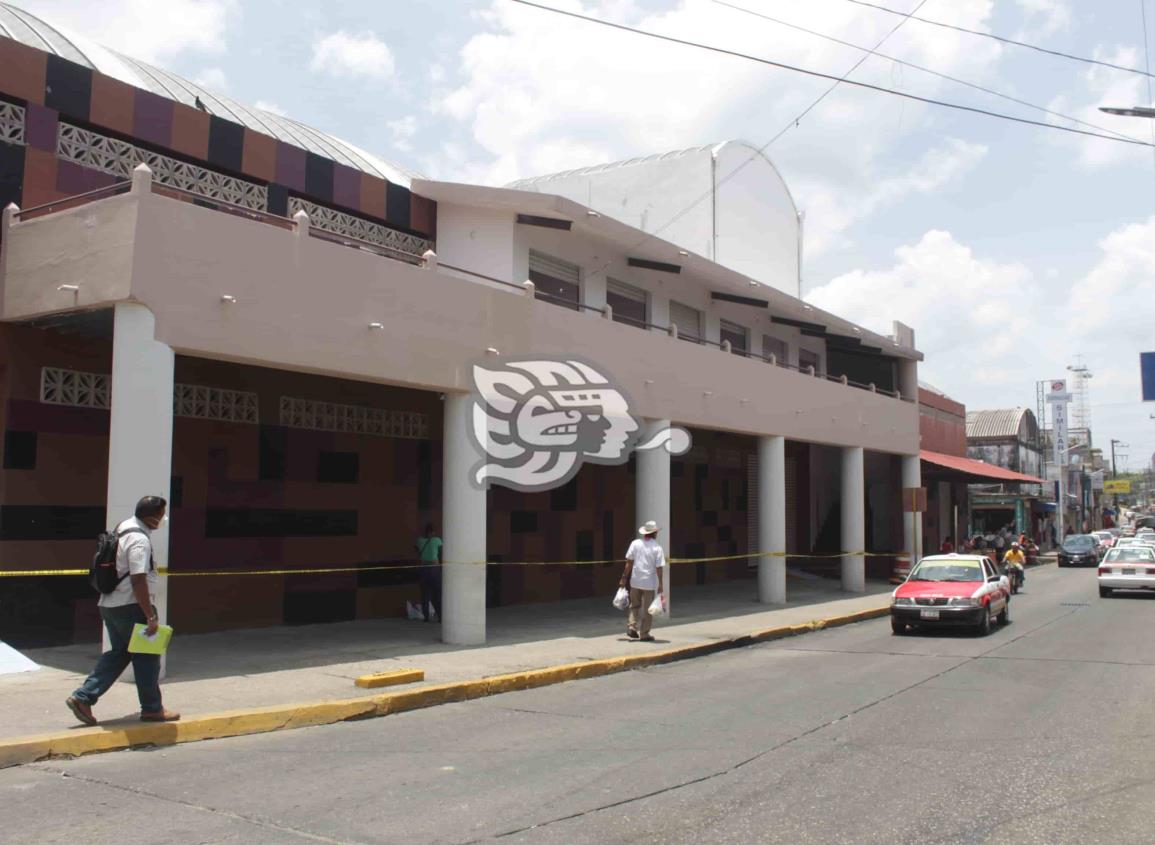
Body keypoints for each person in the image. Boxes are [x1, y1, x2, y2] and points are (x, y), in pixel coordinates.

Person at [66, 496, 179, 726]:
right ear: (151, 517)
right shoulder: (139, 540)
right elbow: (138, 580)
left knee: (119, 653)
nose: (163, 519)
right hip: (131, 605)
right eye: (162, 514)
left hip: (109, 604)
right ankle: (152, 709)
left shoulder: (121, 529)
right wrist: (150, 615)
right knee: (147, 656)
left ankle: (83, 697)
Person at [619, 520, 667, 642]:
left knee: (634, 605)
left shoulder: (635, 544)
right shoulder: (657, 548)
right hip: (649, 583)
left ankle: (631, 626)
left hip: (635, 581)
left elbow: (629, 562)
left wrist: (624, 577)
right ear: (655, 533)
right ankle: (644, 633)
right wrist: (660, 584)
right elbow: (659, 567)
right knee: (648, 609)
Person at [415, 523, 443, 623]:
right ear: (433, 532)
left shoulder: (419, 540)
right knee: (437, 594)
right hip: (435, 568)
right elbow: (440, 553)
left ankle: (426, 617)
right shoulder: (437, 540)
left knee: (425, 594)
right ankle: (440, 616)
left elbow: (416, 550)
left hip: (424, 568)